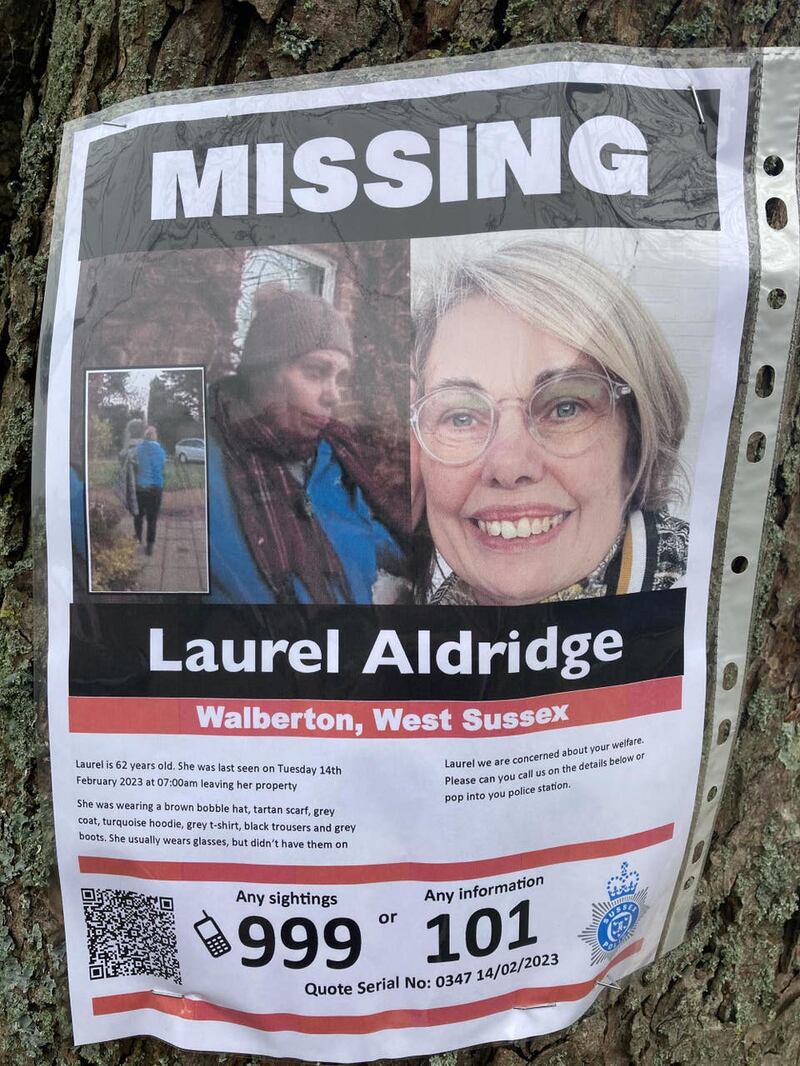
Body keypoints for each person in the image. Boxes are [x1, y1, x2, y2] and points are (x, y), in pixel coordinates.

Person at [410, 240, 690, 606]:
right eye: (461, 417)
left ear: (636, 443)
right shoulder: (392, 636)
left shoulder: (721, 608)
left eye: (565, 408)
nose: (508, 466)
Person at [207, 285, 407, 604]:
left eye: (340, 378)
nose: (334, 395)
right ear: (264, 373)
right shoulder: (207, 471)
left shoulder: (336, 456)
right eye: (316, 373)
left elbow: (377, 543)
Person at [132, 425, 166, 556]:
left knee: (138, 515)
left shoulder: (138, 449)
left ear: (144, 437)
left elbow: (133, 463)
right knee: (152, 519)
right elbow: (162, 466)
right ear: (155, 437)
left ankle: (138, 539)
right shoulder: (161, 451)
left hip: (141, 487)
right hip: (156, 488)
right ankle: (150, 546)